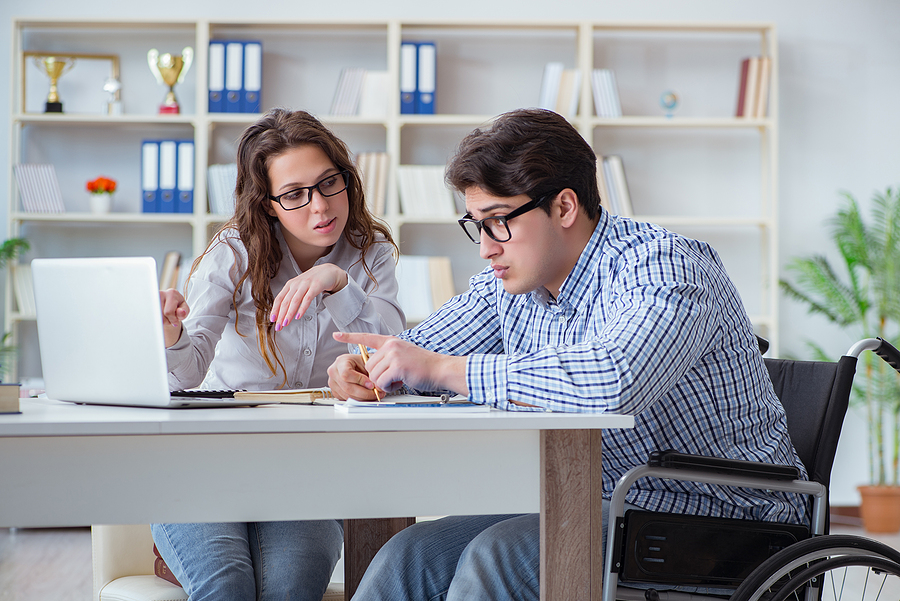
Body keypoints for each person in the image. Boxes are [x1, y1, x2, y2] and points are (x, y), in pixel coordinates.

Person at [326, 108, 808, 601]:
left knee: (497, 557)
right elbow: (419, 351)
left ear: (563, 207)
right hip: (604, 504)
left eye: (498, 222)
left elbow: (613, 381)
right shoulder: (512, 284)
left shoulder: (665, 267)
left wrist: (445, 370)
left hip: (728, 517)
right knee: (408, 556)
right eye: (477, 225)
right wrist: (369, 368)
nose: (485, 249)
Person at [152, 108, 405, 601]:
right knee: (228, 584)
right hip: (209, 461)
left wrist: (339, 284)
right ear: (267, 204)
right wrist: (170, 335)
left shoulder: (370, 251)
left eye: (330, 183)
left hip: (305, 468)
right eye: (294, 194)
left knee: (291, 587)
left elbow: (391, 352)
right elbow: (187, 373)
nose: (321, 206)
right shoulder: (235, 252)